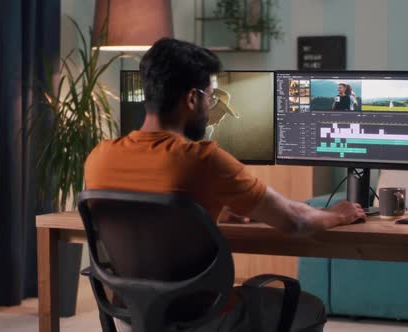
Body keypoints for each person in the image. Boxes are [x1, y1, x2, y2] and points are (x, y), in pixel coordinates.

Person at [84, 37, 366, 332]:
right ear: (192, 98)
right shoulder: (203, 160)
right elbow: (294, 221)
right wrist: (338, 213)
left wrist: (204, 216)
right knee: (310, 306)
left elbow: (146, 217)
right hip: (201, 316)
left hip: (132, 313)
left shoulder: (98, 158)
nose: (210, 104)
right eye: (210, 95)